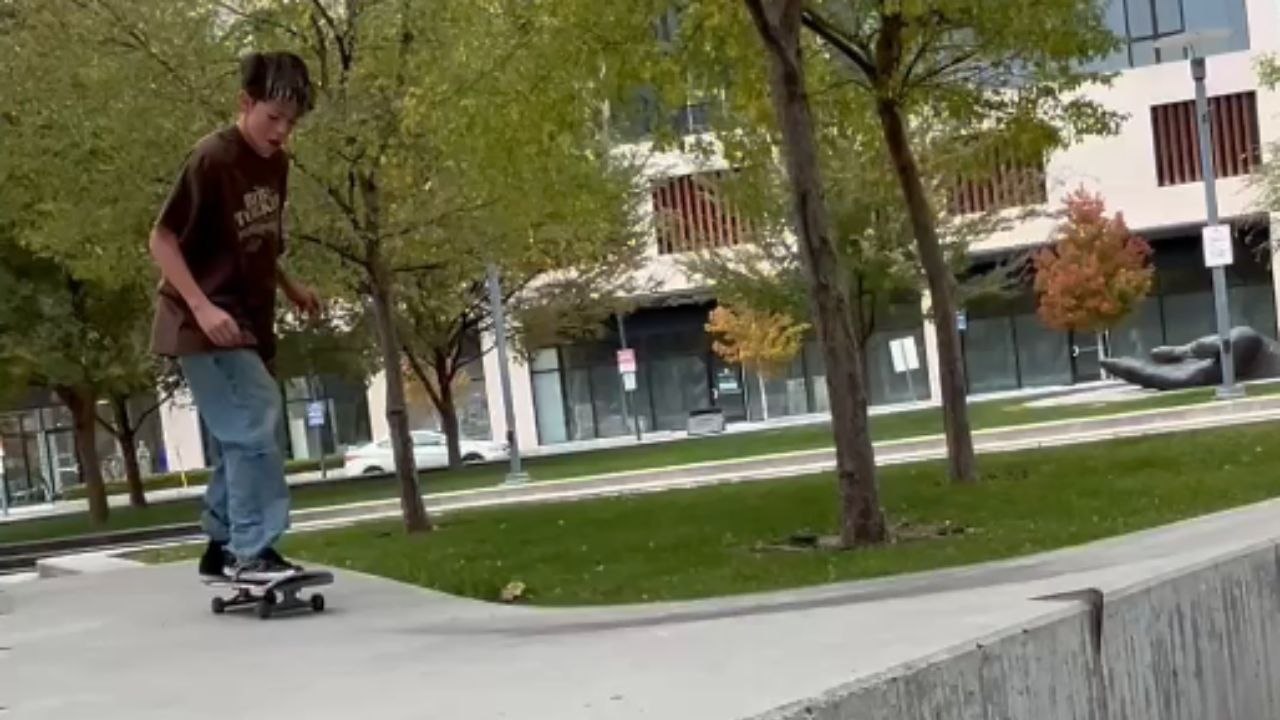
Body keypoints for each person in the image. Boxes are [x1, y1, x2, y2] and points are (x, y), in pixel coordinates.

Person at [148, 51, 320, 582]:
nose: (281, 133)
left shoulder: (276, 165)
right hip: (199, 322)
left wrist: (290, 285)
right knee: (255, 421)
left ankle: (221, 543)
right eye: (273, 118)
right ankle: (252, 550)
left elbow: (262, 237)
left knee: (236, 435)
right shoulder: (212, 158)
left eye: (291, 124)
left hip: (247, 319)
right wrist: (201, 305)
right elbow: (162, 237)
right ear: (245, 104)